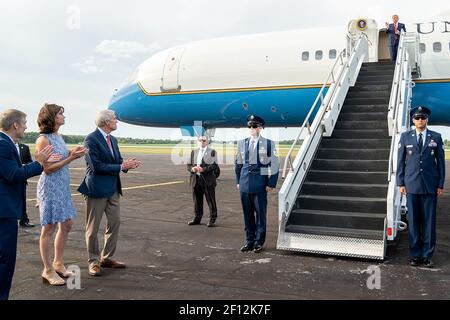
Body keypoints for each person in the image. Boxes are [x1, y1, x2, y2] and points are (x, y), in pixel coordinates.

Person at [78, 110, 141, 277]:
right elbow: (96, 166)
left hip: (113, 188)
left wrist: (127, 163)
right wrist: (121, 167)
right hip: (97, 189)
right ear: (106, 122)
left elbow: (116, 160)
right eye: (114, 119)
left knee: (114, 223)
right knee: (92, 228)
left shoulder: (112, 139)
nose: (116, 122)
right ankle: (93, 261)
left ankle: (106, 258)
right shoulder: (90, 139)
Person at [0, 109, 52, 300]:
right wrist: (39, 163)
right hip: (3, 211)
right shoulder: (3, 144)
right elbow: (13, 174)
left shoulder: (8, 143)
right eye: (24, 123)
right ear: (15, 125)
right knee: (5, 260)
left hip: (6, 209)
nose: (26, 126)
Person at [36, 103, 89, 286]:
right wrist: (70, 158)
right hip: (51, 186)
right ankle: (47, 270)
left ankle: (58, 263)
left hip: (62, 186)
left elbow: (62, 156)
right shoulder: (43, 140)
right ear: (52, 117)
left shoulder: (58, 136)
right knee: (48, 228)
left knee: (66, 224)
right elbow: (48, 169)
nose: (64, 116)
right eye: (60, 114)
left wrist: (73, 153)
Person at [397, 106, 445, 268]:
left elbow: (441, 164)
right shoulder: (405, 137)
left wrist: (440, 184)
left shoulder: (436, 137)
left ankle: (427, 255)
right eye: (417, 118)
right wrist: (401, 183)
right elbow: (400, 162)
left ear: (427, 120)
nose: (420, 120)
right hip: (411, 186)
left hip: (430, 186)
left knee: (429, 222)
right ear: (413, 120)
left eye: (423, 118)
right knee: (414, 221)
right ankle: (415, 255)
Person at [235, 115, 279, 253]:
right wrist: (238, 181)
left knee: (260, 215)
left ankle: (259, 242)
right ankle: (249, 241)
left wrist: (271, 183)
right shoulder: (242, 143)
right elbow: (238, 164)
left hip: (260, 185)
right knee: (247, 215)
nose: (251, 128)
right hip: (244, 184)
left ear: (260, 128)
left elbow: (275, 165)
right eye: (249, 126)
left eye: (254, 126)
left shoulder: (269, 143)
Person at [187, 135, 219, 227]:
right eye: (200, 140)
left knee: (210, 200)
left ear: (207, 141)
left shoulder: (212, 152)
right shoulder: (194, 152)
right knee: (197, 201)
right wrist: (192, 169)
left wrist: (203, 170)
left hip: (207, 180)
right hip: (195, 180)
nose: (202, 142)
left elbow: (214, 165)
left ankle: (212, 219)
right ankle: (197, 218)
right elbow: (188, 165)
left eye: (204, 140)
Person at [18, 143, 35, 228]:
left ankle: (24, 220)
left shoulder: (24, 147)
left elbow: (29, 162)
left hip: (21, 180)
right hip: (8, 179)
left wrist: (24, 166)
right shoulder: (5, 146)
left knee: (23, 200)